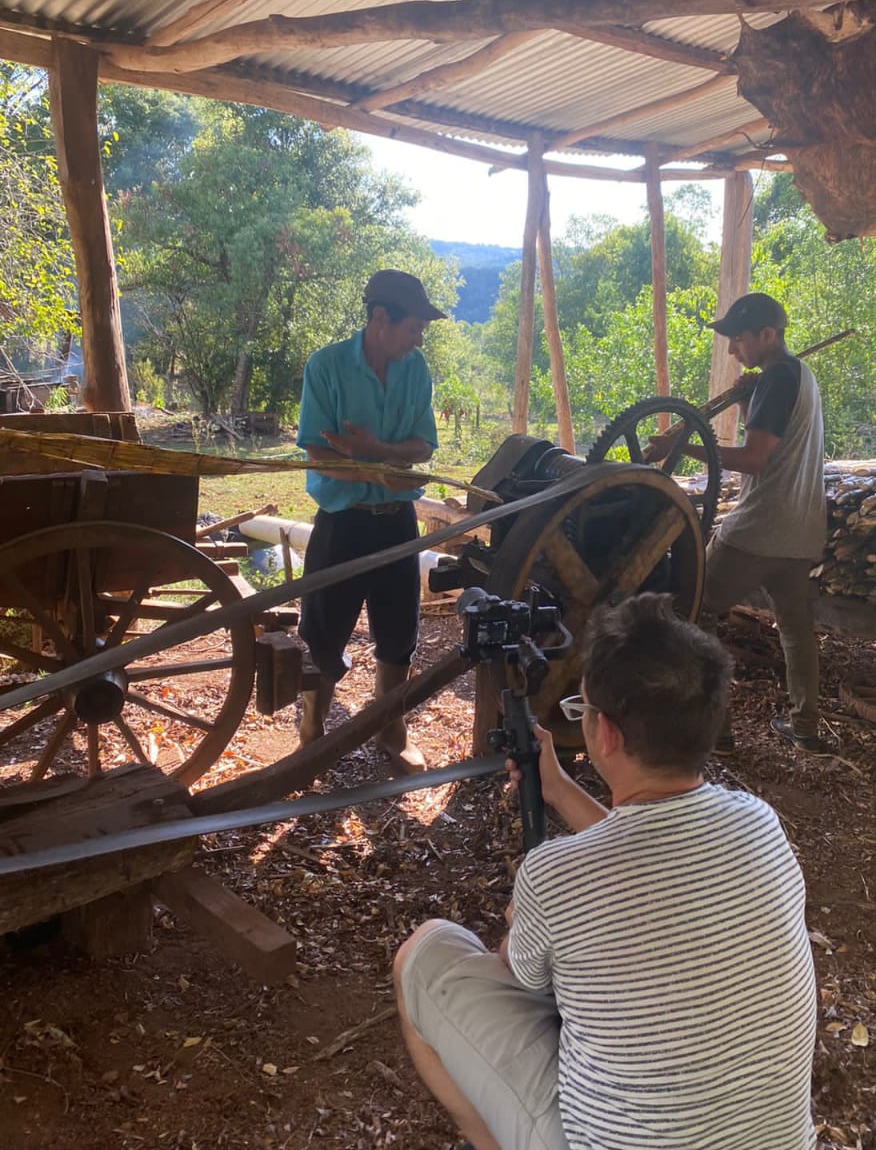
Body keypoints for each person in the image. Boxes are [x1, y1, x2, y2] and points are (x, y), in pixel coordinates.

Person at [394, 594, 818, 1150]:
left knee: (426, 950)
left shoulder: (556, 876)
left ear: (607, 734)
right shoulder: (757, 823)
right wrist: (556, 789)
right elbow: (657, 854)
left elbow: (520, 975)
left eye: (583, 708)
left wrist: (526, 919)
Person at [651, 291, 828, 755]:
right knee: (795, 627)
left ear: (767, 335)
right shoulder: (800, 376)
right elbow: (774, 443)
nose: (733, 350)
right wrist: (747, 403)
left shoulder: (776, 378)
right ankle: (805, 727)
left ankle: (717, 731)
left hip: (759, 529)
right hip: (802, 528)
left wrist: (680, 449)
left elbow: (752, 460)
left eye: (738, 339)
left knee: (695, 606)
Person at [296, 269, 445, 773]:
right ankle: (311, 733)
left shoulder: (416, 369)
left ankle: (391, 730)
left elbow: (422, 445)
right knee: (322, 630)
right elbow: (317, 453)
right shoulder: (327, 366)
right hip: (342, 521)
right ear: (381, 318)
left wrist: (374, 453)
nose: (419, 336)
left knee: (399, 631)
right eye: (414, 326)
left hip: (395, 521)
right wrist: (383, 472)